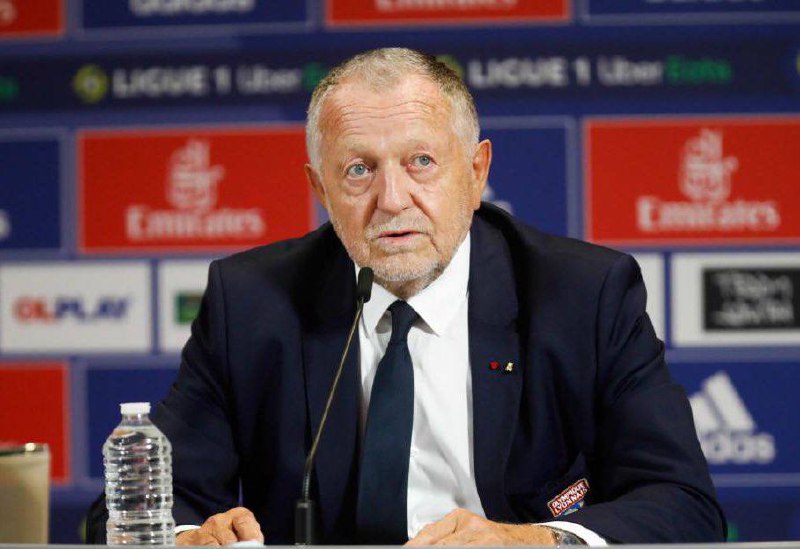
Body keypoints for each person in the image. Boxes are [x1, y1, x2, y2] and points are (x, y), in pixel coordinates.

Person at [87, 48, 725, 546]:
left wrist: (533, 541)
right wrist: (187, 538)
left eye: (421, 161)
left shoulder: (582, 294)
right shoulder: (251, 302)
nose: (392, 200)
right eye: (358, 169)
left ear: (475, 172)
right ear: (320, 188)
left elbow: (682, 503)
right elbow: (128, 508)